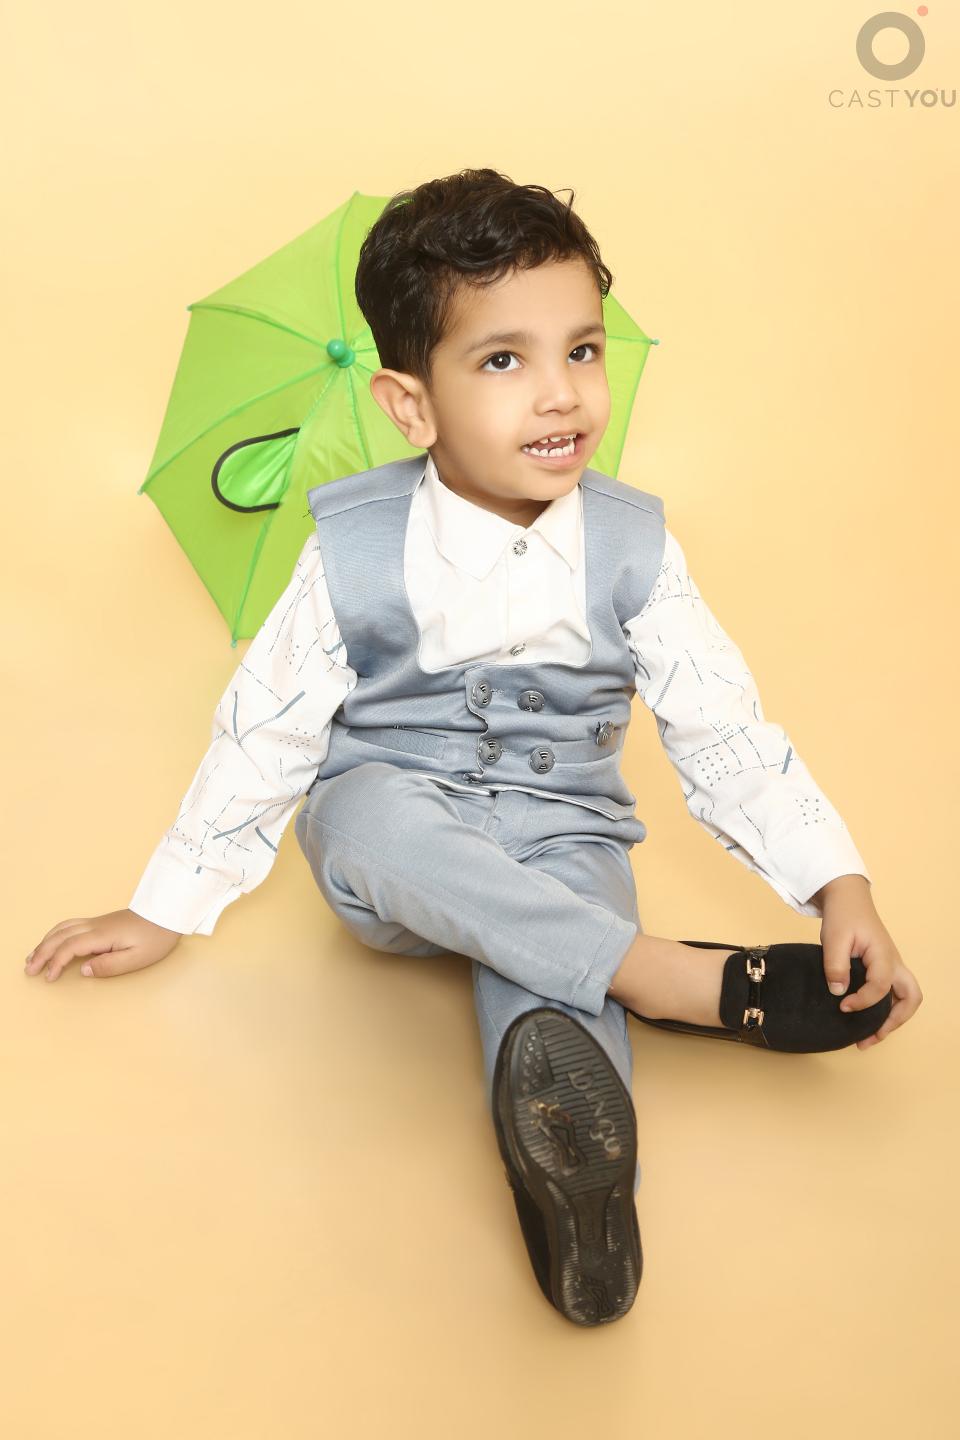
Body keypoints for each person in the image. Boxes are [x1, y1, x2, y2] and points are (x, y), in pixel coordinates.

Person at [24, 168, 922, 1328]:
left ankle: (586, 1207)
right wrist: (167, 906)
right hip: (401, 843)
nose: (561, 395)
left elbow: (726, 728)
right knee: (354, 812)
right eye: (504, 361)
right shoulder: (351, 546)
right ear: (410, 405)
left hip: (566, 836)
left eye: (582, 350)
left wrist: (838, 884)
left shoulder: (636, 546)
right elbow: (268, 728)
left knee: (544, 979)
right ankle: (668, 979)